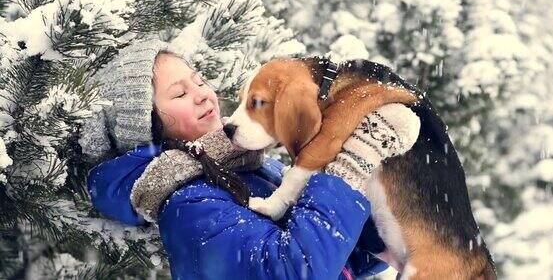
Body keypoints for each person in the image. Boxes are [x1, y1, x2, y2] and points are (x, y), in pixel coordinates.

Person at [79, 38, 420, 280]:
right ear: (147, 125)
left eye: (199, 81)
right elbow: (292, 271)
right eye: (180, 93)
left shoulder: (251, 167)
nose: (201, 94)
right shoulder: (187, 204)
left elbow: (343, 257)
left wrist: (379, 233)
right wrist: (352, 163)